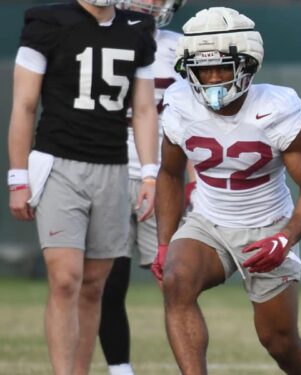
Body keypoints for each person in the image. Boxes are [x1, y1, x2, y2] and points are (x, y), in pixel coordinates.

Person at [152, 7, 301, 375]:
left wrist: (284, 239)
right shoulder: (179, 103)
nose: (213, 78)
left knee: (280, 343)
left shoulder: (276, 109)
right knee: (176, 281)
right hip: (208, 221)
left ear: (247, 65)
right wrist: (166, 242)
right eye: (203, 69)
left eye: (222, 67)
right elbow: (169, 175)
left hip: (267, 226)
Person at [7, 0, 158, 374]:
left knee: (93, 285)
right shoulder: (47, 21)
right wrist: (17, 177)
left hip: (113, 167)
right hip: (59, 163)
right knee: (65, 279)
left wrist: (151, 172)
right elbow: (24, 105)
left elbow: (143, 109)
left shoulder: (137, 28)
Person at [97, 1, 186, 374]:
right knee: (108, 285)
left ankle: (192, 366)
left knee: (178, 285)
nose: (150, 2)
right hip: (109, 173)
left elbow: (196, 121)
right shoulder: (95, 41)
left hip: (163, 178)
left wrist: (192, 182)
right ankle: (120, 369)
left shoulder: (181, 48)